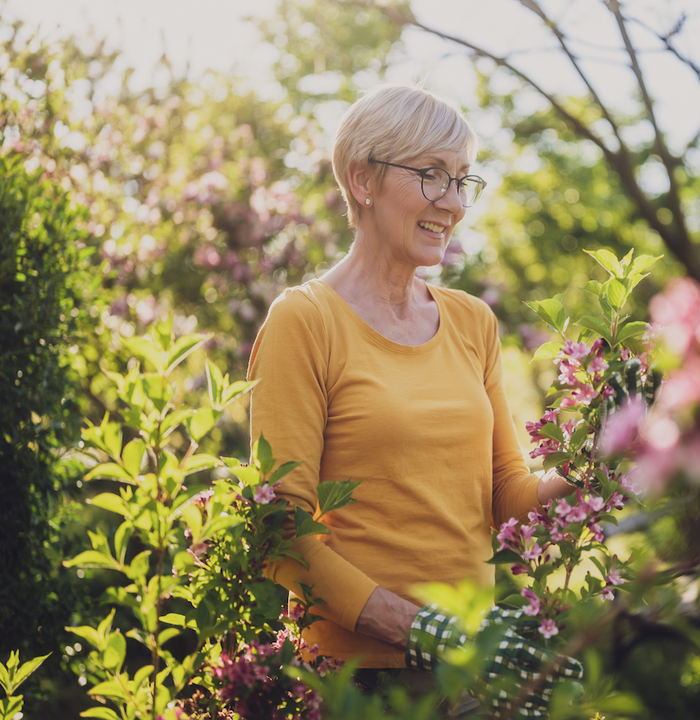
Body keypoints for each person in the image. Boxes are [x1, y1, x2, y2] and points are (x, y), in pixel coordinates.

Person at [247, 84, 578, 715]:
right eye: (431, 176)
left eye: (462, 181)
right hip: (360, 679)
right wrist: (422, 630)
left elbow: (506, 496)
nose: (453, 205)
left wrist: (597, 463)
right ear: (362, 179)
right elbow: (281, 530)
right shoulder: (306, 321)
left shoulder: (472, 321)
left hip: (474, 667)